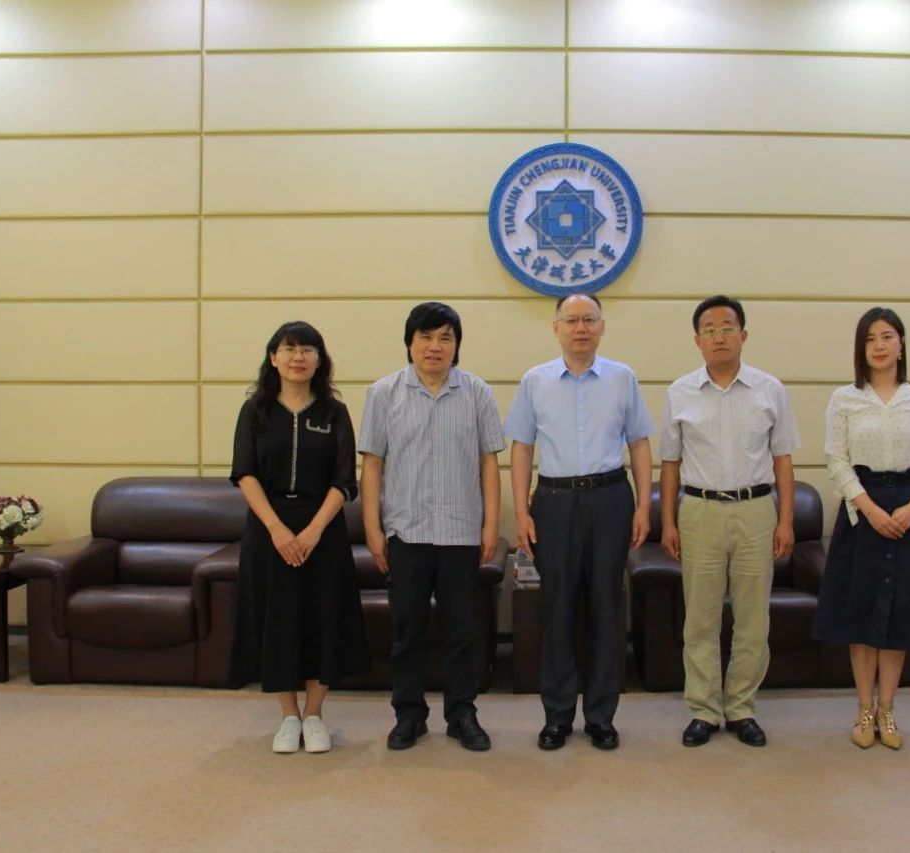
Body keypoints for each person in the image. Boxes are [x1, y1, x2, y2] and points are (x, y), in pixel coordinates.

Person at [504, 292, 654, 751]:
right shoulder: (535, 381)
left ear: (602, 326)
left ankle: (601, 717)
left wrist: (643, 507)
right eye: (572, 320)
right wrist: (522, 511)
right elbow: (522, 448)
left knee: (606, 608)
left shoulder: (623, 378)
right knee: (557, 610)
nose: (581, 328)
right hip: (554, 502)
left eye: (589, 319)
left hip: (611, 498)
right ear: (557, 328)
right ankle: (557, 716)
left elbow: (640, 444)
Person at [359, 302, 505, 752]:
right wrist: (372, 530)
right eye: (425, 337)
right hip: (406, 532)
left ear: (457, 345)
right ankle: (409, 716)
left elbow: (489, 462)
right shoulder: (383, 393)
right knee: (408, 631)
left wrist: (491, 525)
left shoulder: (477, 392)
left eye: (445, 337)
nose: (435, 346)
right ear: (409, 343)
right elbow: (372, 465)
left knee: (462, 631)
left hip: (461, 532)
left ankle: (462, 715)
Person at [811, 306, 910, 749]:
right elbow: (836, 460)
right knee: (862, 613)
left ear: (901, 344)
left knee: (900, 615)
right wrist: (870, 509)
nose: (879, 345)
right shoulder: (845, 399)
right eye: (870, 338)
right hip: (863, 510)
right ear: (861, 348)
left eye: (887, 336)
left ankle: (887, 710)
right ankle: (863, 710)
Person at [659, 295, 800, 748]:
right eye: (710, 329)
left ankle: (741, 707)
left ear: (743, 335)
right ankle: (704, 709)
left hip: (756, 511)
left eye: (727, 328)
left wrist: (786, 520)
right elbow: (670, 464)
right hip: (699, 511)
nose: (718, 336)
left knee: (753, 619)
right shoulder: (679, 392)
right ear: (697, 340)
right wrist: (668, 522)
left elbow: (783, 460)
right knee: (699, 619)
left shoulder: (769, 389)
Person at [229, 321, 370, 754]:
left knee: (322, 619)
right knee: (278, 621)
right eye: (289, 349)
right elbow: (244, 473)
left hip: (322, 531)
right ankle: (288, 716)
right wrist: (277, 530)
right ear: (273, 358)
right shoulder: (254, 411)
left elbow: (345, 481)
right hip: (269, 531)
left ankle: (315, 714)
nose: (298, 357)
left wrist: (311, 532)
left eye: (308, 349)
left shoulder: (333, 413)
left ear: (319, 360)